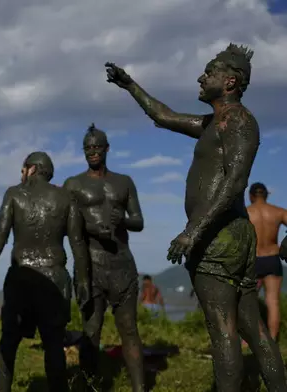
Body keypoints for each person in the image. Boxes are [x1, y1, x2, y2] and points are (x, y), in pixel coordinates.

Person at [106, 43, 287, 391]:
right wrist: (130, 85)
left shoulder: (238, 121)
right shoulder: (212, 122)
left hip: (219, 236)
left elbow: (235, 183)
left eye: (209, 72)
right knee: (254, 328)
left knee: (224, 334)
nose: (201, 78)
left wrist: (193, 231)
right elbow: (164, 115)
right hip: (227, 234)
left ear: (231, 82)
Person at [0, 152, 89, 392]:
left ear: (31, 169)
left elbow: (0, 232)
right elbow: (78, 243)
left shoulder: (14, 194)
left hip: (22, 277)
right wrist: (82, 280)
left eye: (23, 169)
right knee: (53, 344)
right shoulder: (65, 197)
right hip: (55, 277)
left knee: (8, 342)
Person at [63, 124, 145, 391]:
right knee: (91, 331)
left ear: (107, 148)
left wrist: (123, 220)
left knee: (129, 330)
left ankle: (139, 388)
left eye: (97, 147)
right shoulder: (73, 184)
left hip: (122, 263)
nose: (93, 152)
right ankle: (91, 386)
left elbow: (139, 221)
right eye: (88, 148)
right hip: (91, 264)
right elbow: (66, 225)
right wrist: (90, 228)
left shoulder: (124, 182)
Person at [247, 182, 287, 341]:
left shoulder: (245, 213)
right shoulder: (278, 212)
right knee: (273, 301)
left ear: (251, 196)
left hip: (252, 260)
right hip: (272, 259)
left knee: (248, 302)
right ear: (266, 195)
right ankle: (272, 339)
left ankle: (255, 340)